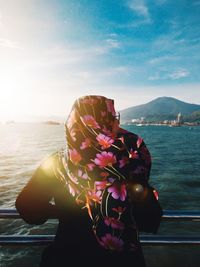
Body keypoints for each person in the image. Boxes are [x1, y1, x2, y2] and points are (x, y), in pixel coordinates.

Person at [15, 95, 162, 267]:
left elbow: (26, 206)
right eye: (113, 117)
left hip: (68, 256)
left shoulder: (57, 162)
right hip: (121, 260)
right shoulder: (130, 159)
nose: (116, 122)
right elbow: (149, 220)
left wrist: (64, 212)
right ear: (104, 122)